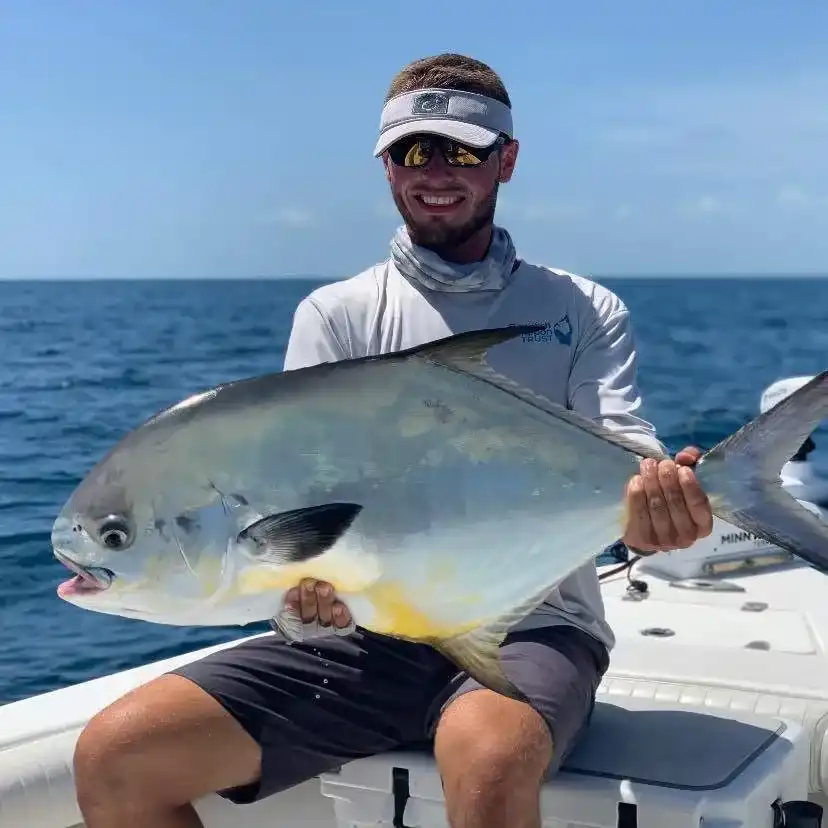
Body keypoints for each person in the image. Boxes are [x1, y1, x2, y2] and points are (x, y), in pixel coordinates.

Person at [72, 53, 714, 828]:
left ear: (506, 160)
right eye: (414, 150)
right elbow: (300, 506)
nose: (436, 171)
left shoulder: (580, 308)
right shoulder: (336, 315)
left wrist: (660, 507)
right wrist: (306, 602)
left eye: (464, 150)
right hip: (363, 638)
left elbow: (625, 447)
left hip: (531, 622)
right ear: (385, 166)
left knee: (488, 760)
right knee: (116, 759)